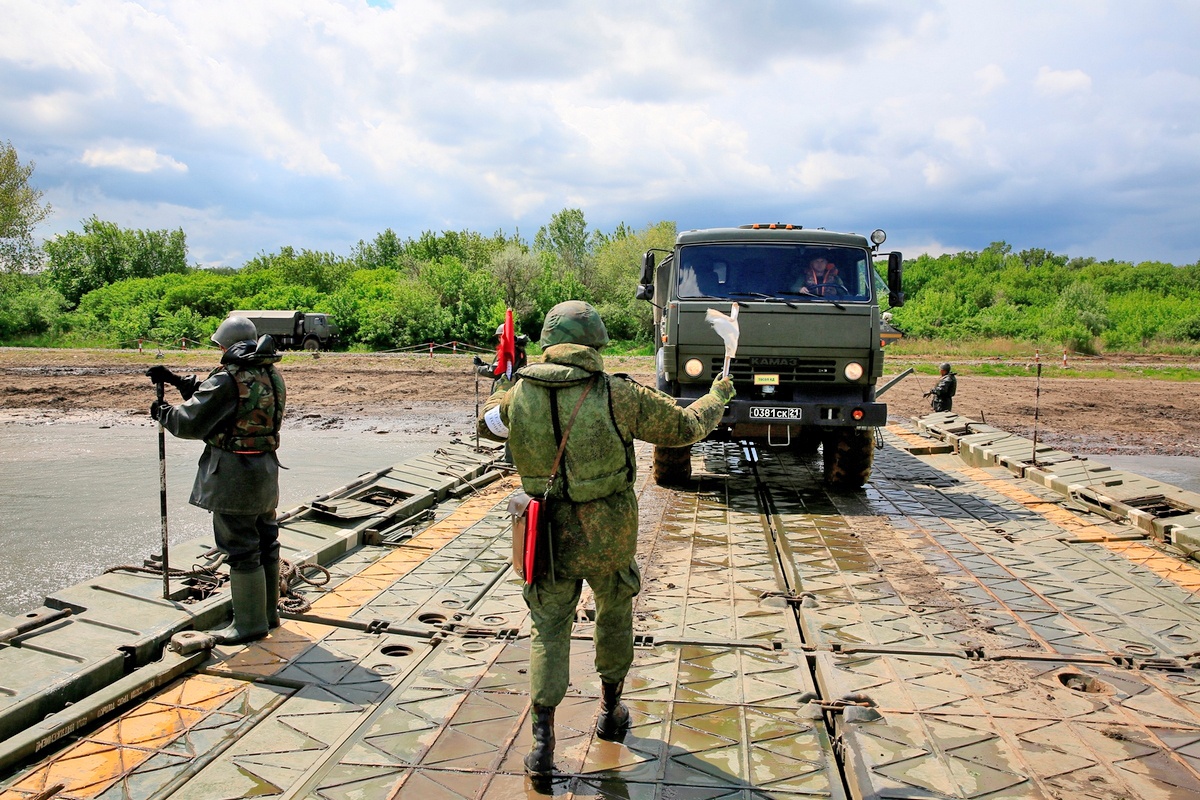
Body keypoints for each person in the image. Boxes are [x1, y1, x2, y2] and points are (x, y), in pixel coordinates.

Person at [477, 300, 735, 776]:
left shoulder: (518, 394)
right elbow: (683, 428)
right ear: (595, 342)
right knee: (614, 616)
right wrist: (719, 392)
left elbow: (487, 426)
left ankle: (541, 746)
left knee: (547, 629)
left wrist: (505, 384)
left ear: (550, 345)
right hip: (608, 534)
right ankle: (611, 713)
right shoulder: (616, 392)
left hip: (545, 534)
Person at [147, 316, 286, 645]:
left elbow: (193, 420)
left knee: (240, 549)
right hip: (265, 472)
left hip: (234, 476)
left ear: (228, 346)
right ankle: (268, 615)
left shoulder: (227, 378)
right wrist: (180, 382)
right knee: (266, 542)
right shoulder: (271, 373)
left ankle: (249, 625)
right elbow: (231, 404)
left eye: (220, 346)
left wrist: (162, 412)